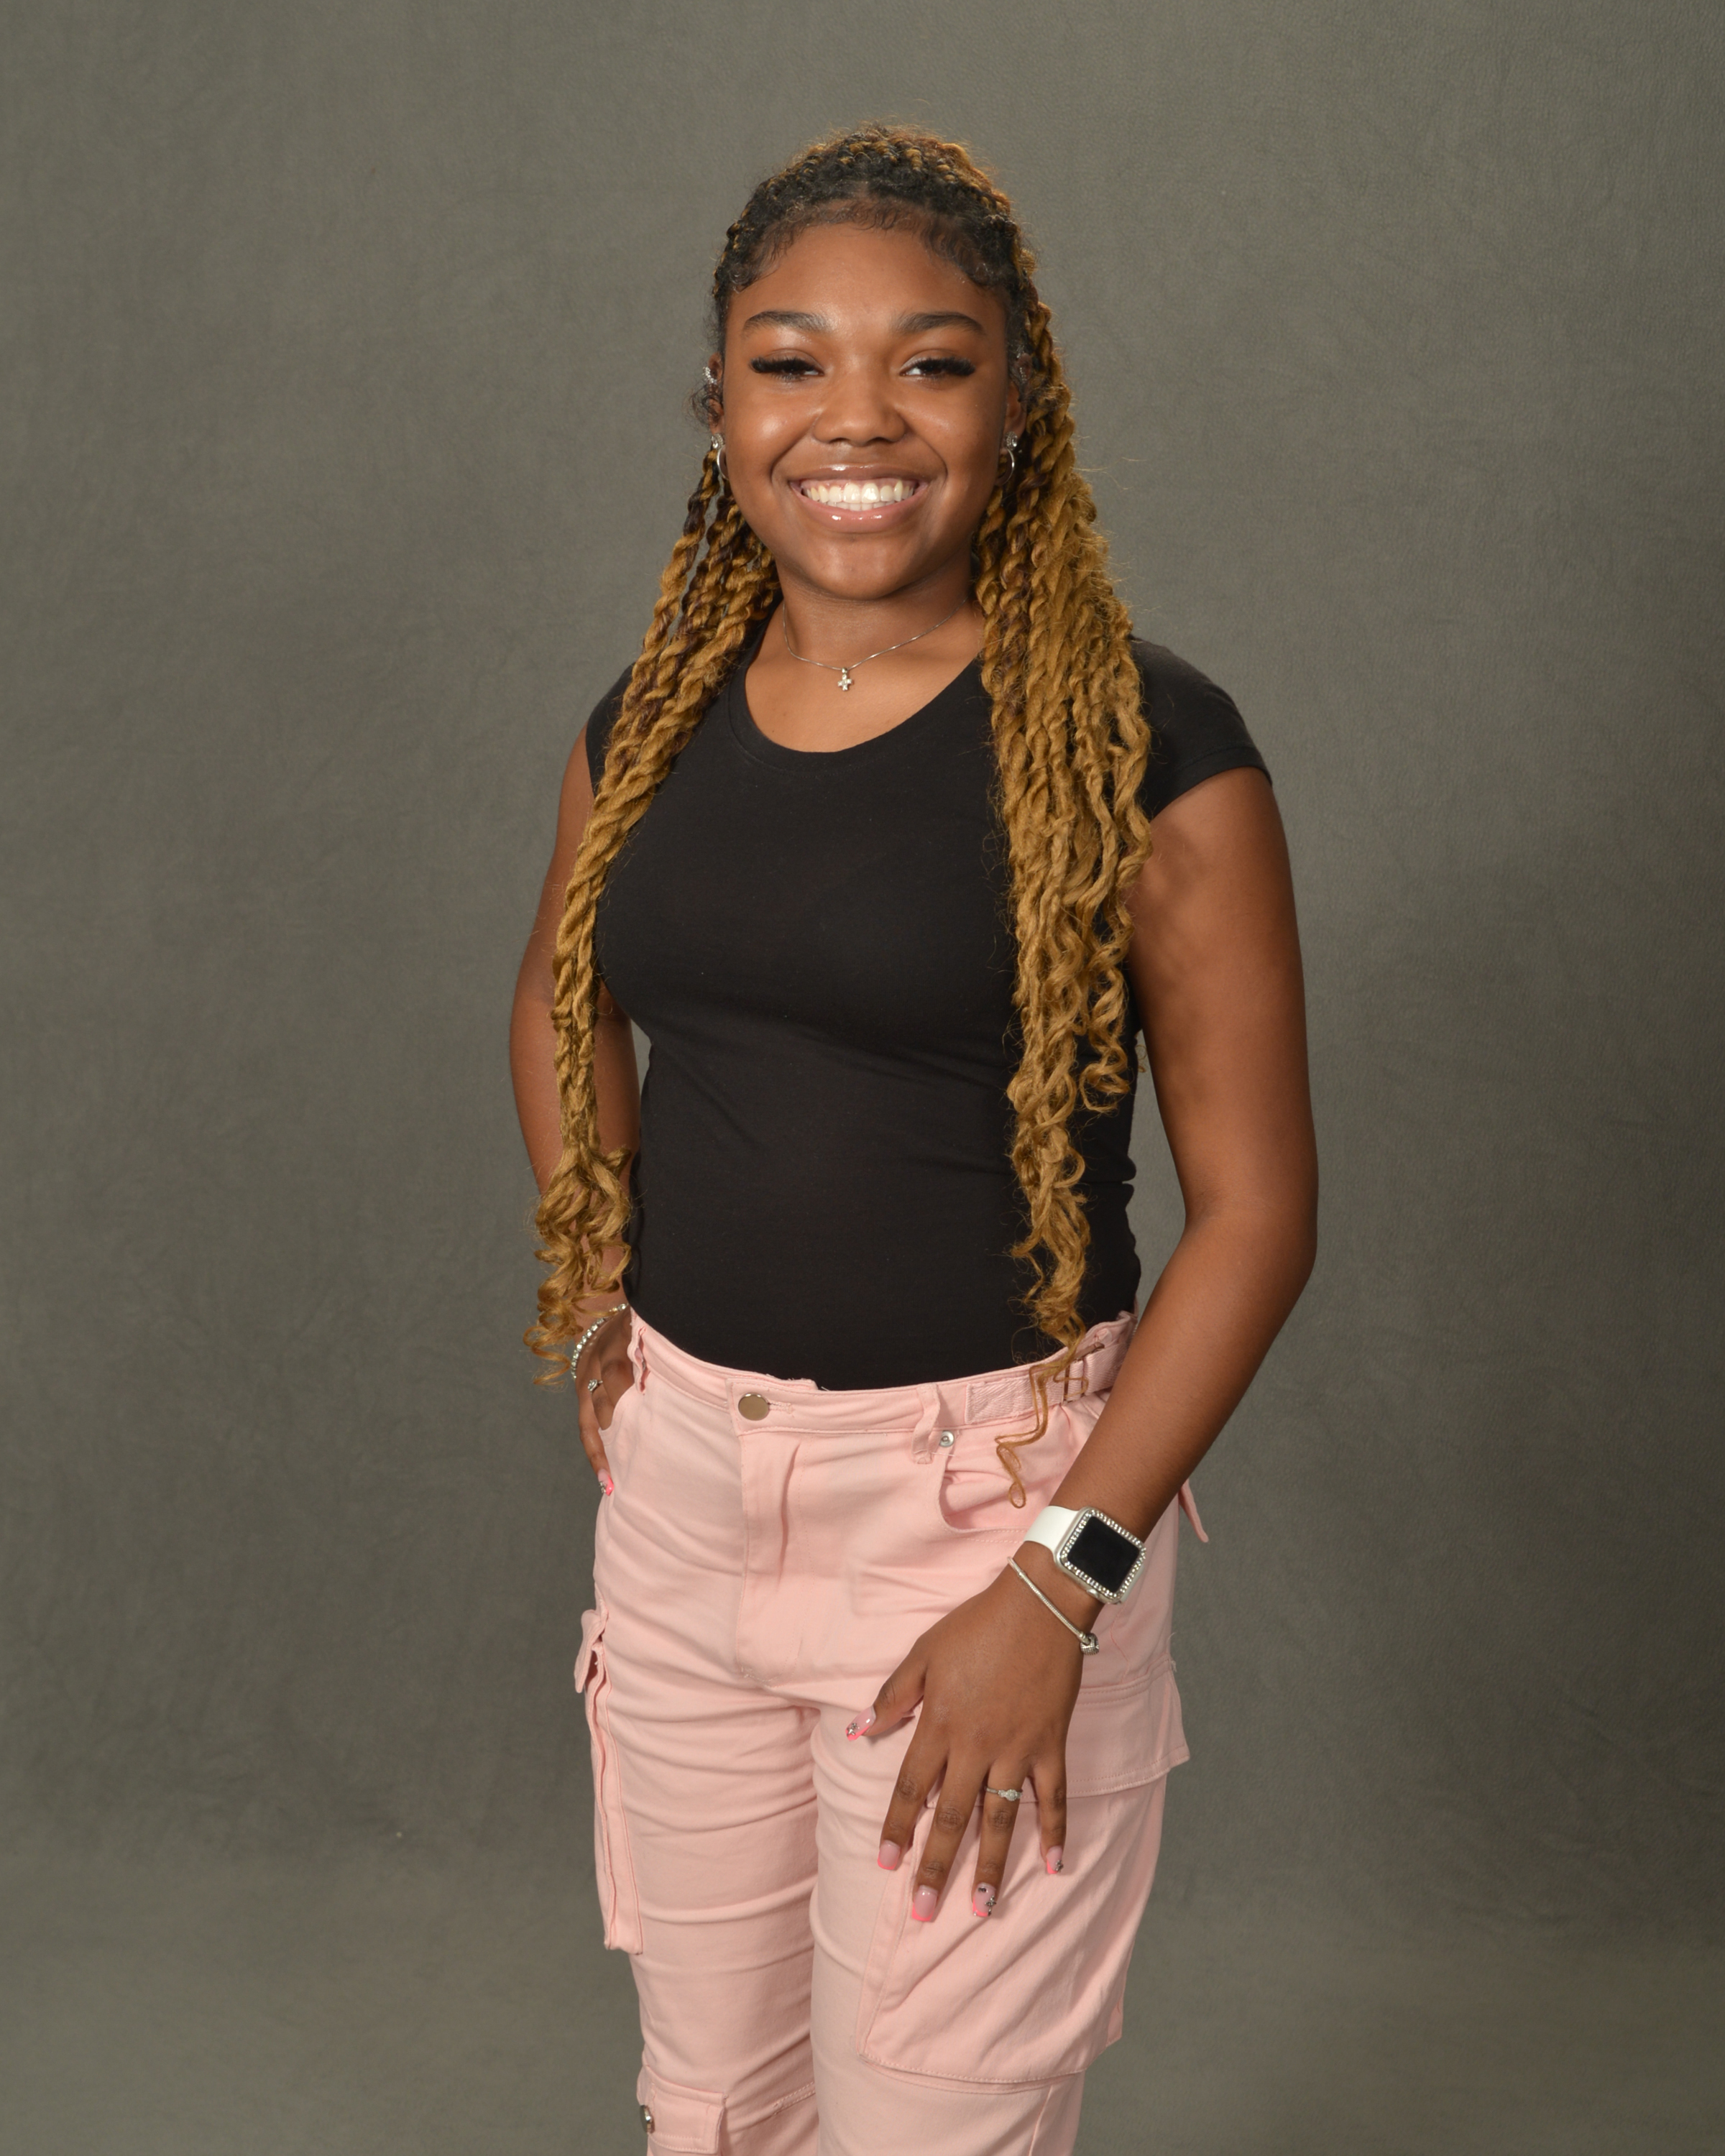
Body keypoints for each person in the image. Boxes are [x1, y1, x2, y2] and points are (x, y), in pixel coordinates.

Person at [510, 124, 1317, 2156]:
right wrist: (603, 1300)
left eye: (930, 363)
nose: (855, 418)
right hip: (685, 1512)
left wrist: (1063, 1580)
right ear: (722, 407)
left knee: (934, 2128)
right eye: (791, 362)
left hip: (992, 1515)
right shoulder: (647, 719)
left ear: (1017, 400)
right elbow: (559, 996)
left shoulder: (1144, 747)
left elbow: (1258, 1213)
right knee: (718, 2115)